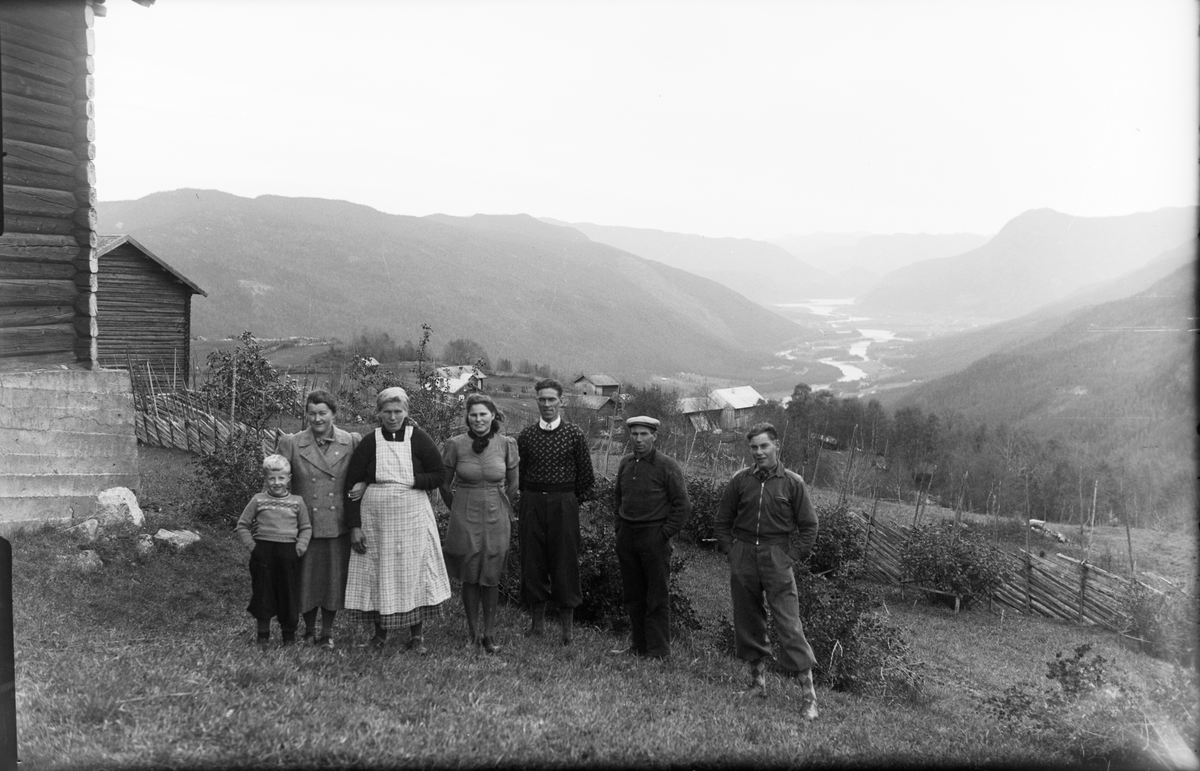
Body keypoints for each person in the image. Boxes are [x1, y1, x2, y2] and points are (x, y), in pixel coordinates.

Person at [714, 422, 820, 720]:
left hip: (777, 558)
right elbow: (722, 521)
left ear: (776, 446)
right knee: (748, 621)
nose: (758, 452)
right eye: (754, 447)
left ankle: (809, 697)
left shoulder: (792, 483)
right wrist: (732, 551)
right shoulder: (740, 481)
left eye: (764, 446)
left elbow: (809, 526)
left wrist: (790, 556)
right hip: (744, 555)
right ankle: (757, 684)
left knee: (789, 624)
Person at [343, 387, 451, 654]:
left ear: (406, 412)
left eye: (398, 411)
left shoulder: (419, 439)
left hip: (413, 517)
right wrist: (354, 527)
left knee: (413, 572)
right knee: (381, 572)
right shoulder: (370, 442)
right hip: (376, 520)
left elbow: (438, 474)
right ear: (379, 413)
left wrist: (412, 480)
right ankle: (379, 636)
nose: (392, 417)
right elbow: (351, 484)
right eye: (387, 412)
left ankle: (417, 637)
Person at [275, 390, 362, 651]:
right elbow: (277, 482)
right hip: (303, 524)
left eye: (322, 413)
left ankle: (327, 631)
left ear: (334, 414)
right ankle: (309, 629)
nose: (317, 418)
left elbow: (364, 473)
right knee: (307, 577)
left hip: (337, 522)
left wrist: (364, 485)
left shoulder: (351, 441)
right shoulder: (291, 442)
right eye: (311, 413)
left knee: (333, 578)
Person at [516, 378, 595, 644]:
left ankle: (567, 633)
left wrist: (568, 502)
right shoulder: (526, 436)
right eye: (542, 399)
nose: (547, 404)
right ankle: (536, 626)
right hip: (532, 503)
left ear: (561, 401)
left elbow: (586, 477)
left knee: (565, 563)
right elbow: (521, 474)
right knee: (532, 562)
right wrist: (533, 499)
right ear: (536, 401)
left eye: (552, 399)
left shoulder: (574, 434)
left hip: (564, 504)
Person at [439, 393, 519, 655]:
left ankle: (489, 634)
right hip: (465, 511)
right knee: (469, 572)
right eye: (473, 415)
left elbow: (514, 482)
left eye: (483, 414)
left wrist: (503, 502)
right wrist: (457, 509)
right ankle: (472, 634)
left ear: (493, 415)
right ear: (468, 418)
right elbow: (444, 482)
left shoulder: (507, 444)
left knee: (491, 573)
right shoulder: (455, 444)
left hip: (497, 512)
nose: (478, 419)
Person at [612, 415, 690, 660]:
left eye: (644, 434)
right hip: (628, 537)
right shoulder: (625, 463)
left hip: (654, 539)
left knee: (657, 596)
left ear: (654, 436)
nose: (638, 439)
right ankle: (638, 646)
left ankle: (659, 651)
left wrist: (663, 534)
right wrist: (619, 529)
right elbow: (618, 498)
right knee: (633, 595)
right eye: (634, 434)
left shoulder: (667, 465)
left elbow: (683, 505)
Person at [235, 454, 312, 650]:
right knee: (263, 594)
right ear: (265, 479)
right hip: (263, 554)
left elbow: (306, 528)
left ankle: (289, 637)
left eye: (281, 478)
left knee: (288, 594)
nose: (276, 483)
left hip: (288, 554)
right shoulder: (258, 500)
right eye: (271, 478)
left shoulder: (297, 502)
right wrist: (253, 547)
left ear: (289, 479)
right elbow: (242, 525)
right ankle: (263, 636)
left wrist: (300, 547)